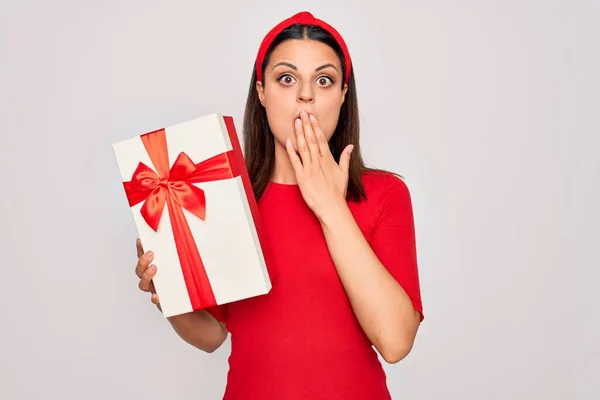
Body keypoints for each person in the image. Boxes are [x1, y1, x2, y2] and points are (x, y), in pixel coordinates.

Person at [134, 11, 424, 400]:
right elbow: (211, 336)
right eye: (287, 78)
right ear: (262, 92)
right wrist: (171, 293)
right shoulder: (222, 197)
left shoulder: (386, 194)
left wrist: (330, 206)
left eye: (324, 80)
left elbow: (395, 341)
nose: (306, 94)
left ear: (342, 94)